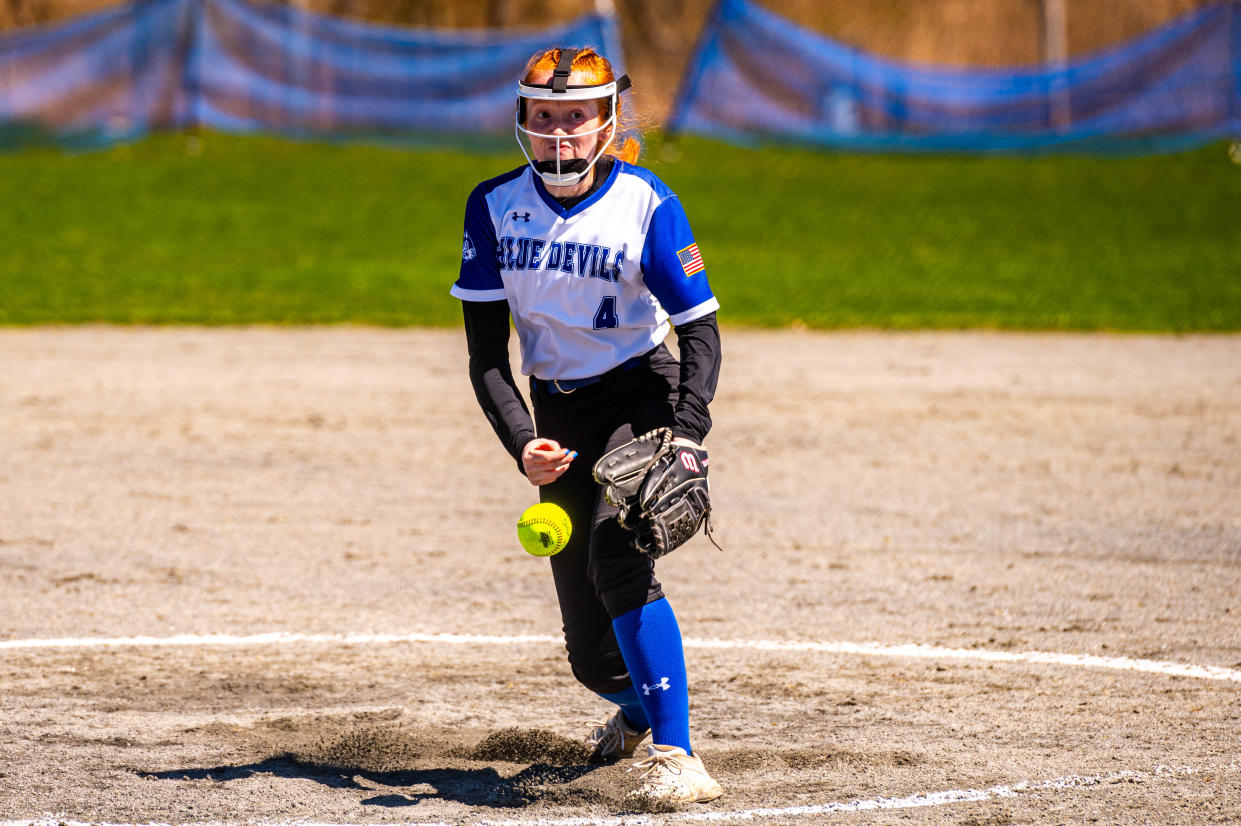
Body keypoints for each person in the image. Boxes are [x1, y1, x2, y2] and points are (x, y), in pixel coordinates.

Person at [451, 46, 723, 806]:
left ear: (607, 120)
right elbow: (484, 355)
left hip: (640, 395)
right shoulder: (494, 204)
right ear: (522, 122)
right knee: (590, 657)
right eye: (545, 119)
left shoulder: (646, 202)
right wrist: (520, 443)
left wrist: (689, 434)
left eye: (576, 117)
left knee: (617, 554)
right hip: (558, 412)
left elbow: (699, 332)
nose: (560, 135)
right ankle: (635, 711)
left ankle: (678, 756)